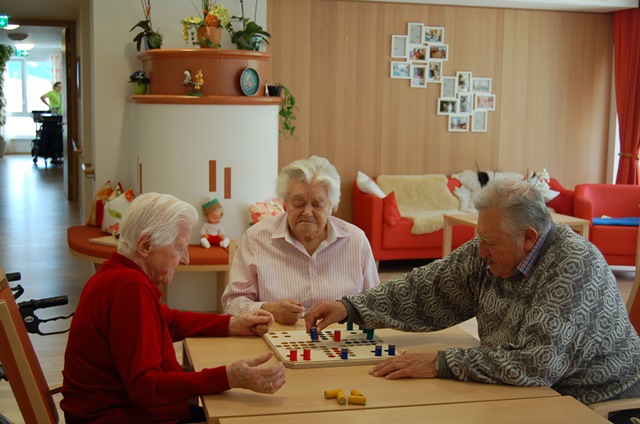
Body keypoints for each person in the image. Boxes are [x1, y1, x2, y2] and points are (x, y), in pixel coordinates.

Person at [305, 179, 640, 413]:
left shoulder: (575, 263)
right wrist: (351, 306)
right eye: (480, 238)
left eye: (490, 242)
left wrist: (441, 362)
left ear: (528, 237)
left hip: (592, 400)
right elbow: (428, 287)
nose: (481, 251)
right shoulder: (492, 246)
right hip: (526, 390)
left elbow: (537, 363)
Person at [61, 193, 286, 423]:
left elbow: (167, 320)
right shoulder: (129, 288)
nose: (186, 259)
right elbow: (146, 387)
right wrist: (229, 377)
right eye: (179, 249)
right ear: (145, 245)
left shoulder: (118, 274)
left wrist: (232, 323)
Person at [221, 155, 380, 325]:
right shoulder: (255, 238)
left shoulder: (356, 240)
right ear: (284, 204)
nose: (307, 212)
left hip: (340, 344)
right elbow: (232, 303)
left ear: (332, 207)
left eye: (317, 205)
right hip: (274, 338)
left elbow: (376, 304)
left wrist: (346, 309)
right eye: (298, 204)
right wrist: (270, 309)